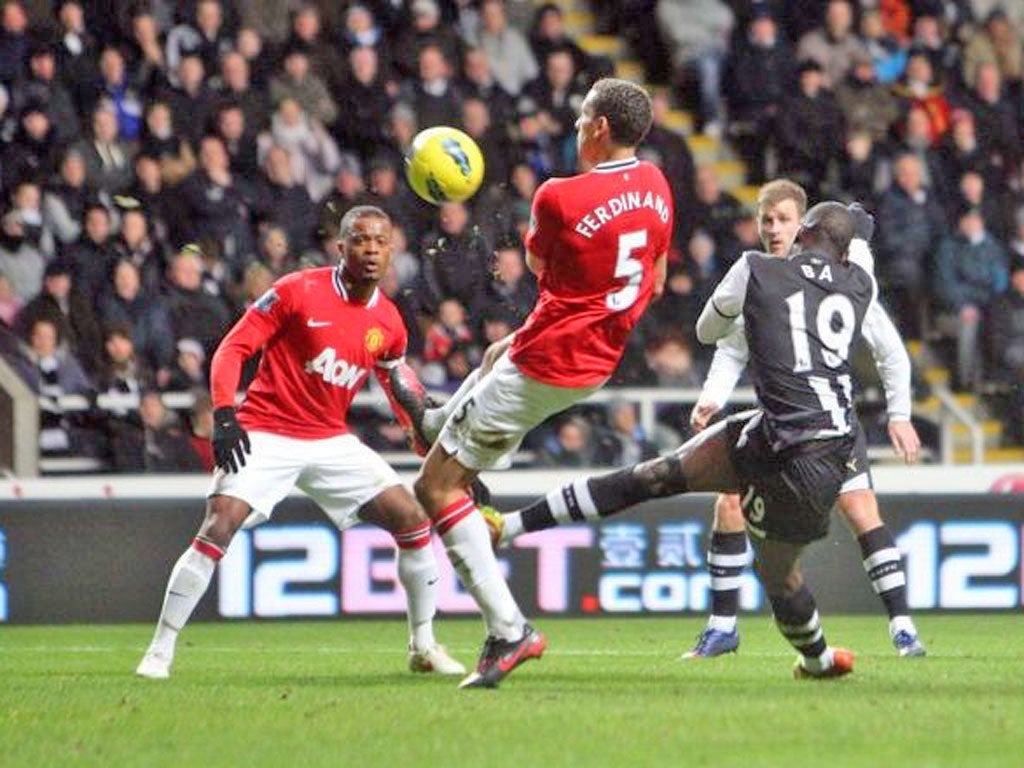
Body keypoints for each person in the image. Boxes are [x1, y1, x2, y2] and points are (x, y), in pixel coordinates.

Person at [492, 202, 876, 678]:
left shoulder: (755, 268)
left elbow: (707, 330)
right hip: (811, 441)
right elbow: (857, 245)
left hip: (799, 450)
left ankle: (818, 660)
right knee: (680, 487)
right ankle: (505, 528)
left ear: (804, 231)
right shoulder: (861, 283)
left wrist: (753, 319)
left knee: (670, 489)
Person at [403, 78, 673, 688]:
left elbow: (536, 265)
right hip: (597, 357)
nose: (576, 127)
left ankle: (508, 630)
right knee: (498, 353)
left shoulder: (558, 196)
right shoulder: (657, 184)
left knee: (436, 489)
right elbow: (653, 278)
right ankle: (437, 422)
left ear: (600, 126)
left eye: (582, 118)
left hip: (549, 362)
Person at [135, 206, 464, 680]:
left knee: (412, 519)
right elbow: (233, 348)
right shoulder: (297, 290)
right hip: (266, 431)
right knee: (219, 523)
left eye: (379, 241)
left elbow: (397, 385)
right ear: (341, 247)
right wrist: (225, 412)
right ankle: (160, 650)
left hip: (330, 439)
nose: (370, 249)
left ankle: (424, 645)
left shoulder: (389, 321)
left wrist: (425, 441)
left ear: (391, 251)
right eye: (360, 240)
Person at [681, 181, 925, 658]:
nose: (774, 230)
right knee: (728, 507)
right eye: (766, 220)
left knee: (860, 511)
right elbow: (731, 346)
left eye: (784, 220)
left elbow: (891, 350)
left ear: (804, 226)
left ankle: (903, 626)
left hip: (830, 422)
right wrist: (711, 398)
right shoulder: (762, 276)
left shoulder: (842, 275)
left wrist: (900, 415)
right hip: (777, 422)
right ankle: (722, 627)